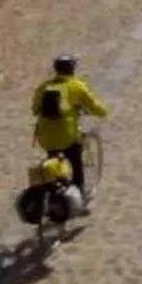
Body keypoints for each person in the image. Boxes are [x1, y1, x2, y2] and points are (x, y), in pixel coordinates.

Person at [31, 55, 108, 193]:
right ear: (72, 69)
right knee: (75, 160)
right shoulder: (76, 85)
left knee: (53, 158)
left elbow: (35, 109)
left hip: (45, 136)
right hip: (67, 135)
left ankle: (53, 185)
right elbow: (94, 105)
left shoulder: (44, 87)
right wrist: (103, 112)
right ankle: (79, 193)